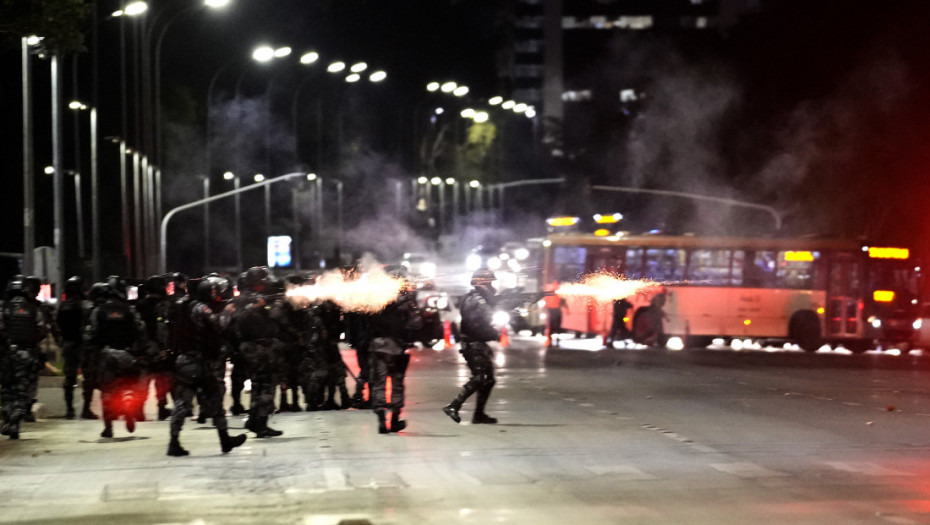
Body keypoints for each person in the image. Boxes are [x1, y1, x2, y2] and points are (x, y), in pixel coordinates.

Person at [167, 275, 247, 456]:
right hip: (197, 363)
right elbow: (218, 325)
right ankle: (224, 439)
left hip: (185, 361)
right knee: (213, 399)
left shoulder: (183, 305)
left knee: (183, 403)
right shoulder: (200, 307)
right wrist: (227, 311)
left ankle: (174, 441)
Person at [84, 276, 148, 438]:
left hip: (107, 355)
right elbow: (141, 330)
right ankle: (131, 409)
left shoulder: (99, 311)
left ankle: (108, 427)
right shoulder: (130, 310)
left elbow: (91, 334)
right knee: (133, 382)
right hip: (127, 354)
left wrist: (93, 351)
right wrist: (140, 350)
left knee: (106, 390)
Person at [231, 266, 285, 438]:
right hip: (258, 348)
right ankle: (260, 423)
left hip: (255, 348)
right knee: (266, 387)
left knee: (258, 386)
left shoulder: (250, 298)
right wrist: (265, 305)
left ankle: (254, 420)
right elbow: (274, 316)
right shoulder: (248, 300)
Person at [368, 267, 423, 433]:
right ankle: (394, 420)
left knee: (379, 384)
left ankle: (381, 421)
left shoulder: (376, 298)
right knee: (397, 384)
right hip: (397, 347)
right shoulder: (405, 301)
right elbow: (417, 323)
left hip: (377, 346)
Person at [443, 268, 500, 425]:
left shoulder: (474, 298)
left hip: (477, 343)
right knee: (480, 378)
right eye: (489, 283)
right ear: (483, 283)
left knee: (488, 380)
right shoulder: (477, 300)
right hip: (473, 344)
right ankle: (454, 405)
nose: (492, 287)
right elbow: (485, 318)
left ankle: (479, 414)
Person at [0, 275, 51, 439]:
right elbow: (43, 330)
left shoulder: (3, 307)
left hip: (6, 355)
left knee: (7, 389)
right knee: (22, 390)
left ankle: (9, 416)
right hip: (27, 354)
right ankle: (16, 418)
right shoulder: (33, 309)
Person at [137, 275, 174, 421]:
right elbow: (163, 328)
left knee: (143, 380)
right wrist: (164, 347)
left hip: (142, 348)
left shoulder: (140, 305)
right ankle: (161, 408)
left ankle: (139, 410)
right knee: (161, 379)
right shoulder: (163, 305)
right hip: (157, 347)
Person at [57, 276, 91, 419]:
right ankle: (86, 409)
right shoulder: (85, 305)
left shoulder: (63, 306)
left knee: (69, 378)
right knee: (88, 377)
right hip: (83, 345)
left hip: (68, 344)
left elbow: (57, 325)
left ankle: (69, 409)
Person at [543, 279, 568, 348]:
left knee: (551, 326)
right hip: (557, 310)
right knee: (557, 326)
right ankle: (556, 341)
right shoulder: (559, 292)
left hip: (552, 310)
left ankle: (551, 341)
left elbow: (545, 301)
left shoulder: (550, 292)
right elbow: (563, 301)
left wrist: (544, 309)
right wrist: (567, 309)